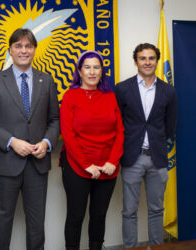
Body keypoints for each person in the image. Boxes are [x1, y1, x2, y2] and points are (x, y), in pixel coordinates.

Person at [0, 28, 60, 250]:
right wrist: (12, 141)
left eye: (28, 46)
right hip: (6, 165)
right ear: (10, 50)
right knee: (1, 225)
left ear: (34, 50)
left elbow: (54, 120)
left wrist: (47, 143)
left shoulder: (47, 80)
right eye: (18, 46)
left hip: (37, 165)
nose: (24, 50)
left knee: (37, 227)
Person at [115, 43, 178, 248]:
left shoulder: (168, 91)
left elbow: (170, 125)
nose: (147, 62)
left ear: (156, 61)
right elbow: (118, 123)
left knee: (156, 209)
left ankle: (157, 246)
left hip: (158, 158)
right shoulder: (122, 89)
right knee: (129, 210)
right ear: (136, 62)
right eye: (143, 58)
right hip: (132, 157)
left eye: (151, 58)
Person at [60, 51, 124, 250]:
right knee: (76, 216)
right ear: (79, 71)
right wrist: (87, 165)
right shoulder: (70, 96)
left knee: (99, 216)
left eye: (96, 67)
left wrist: (112, 162)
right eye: (87, 67)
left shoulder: (111, 97)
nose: (92, 71)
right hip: (77, 167)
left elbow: (120, 132)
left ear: (102, 72)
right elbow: (68, 135)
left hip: (107, 168)